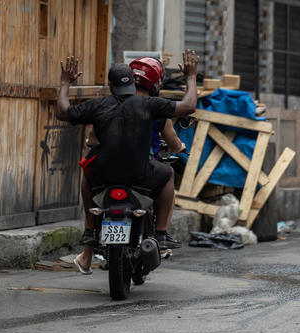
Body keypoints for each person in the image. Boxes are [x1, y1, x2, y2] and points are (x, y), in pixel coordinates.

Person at [57, 51, 199, 274]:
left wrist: (65, 82)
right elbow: (189, 105)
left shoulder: (98, 106)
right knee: (168, 174)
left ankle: (89, 229)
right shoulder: (150, 106)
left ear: (111, 87)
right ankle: (161, 233)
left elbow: (63, 112)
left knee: (86, 168)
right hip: (140, 175)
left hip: (104, 175)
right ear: (132, 84)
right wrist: (191, 76)